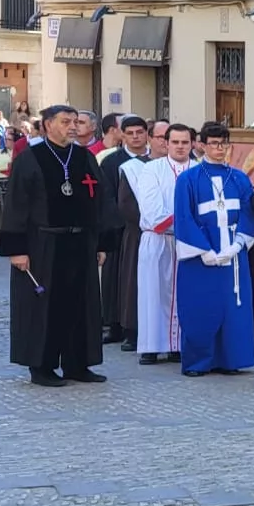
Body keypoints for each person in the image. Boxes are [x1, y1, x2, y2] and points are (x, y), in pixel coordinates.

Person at [0, 105, 112, 388]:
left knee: (80, 304)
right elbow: (16, 205)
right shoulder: (30, 159)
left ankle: (77, 363)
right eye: (65, 121)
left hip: (80, 241)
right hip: (42, 244)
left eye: (76, 121)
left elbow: (100, 200)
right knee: (43, 306)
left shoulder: (84, 157)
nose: (73, 126)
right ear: (48, 125)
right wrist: (17, 249)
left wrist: (101, 242)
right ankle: (42, 365)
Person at [172, 123, 254, 377]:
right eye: (214, 144)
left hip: (233, 252)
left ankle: (232, 359)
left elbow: (248, 212)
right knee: (201, 307)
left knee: (233, 307)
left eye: (224, 144)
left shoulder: (240, 178)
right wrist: (204, 251)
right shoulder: (189, 179)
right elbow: (184, 217)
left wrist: (238, 244)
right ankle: (199, 362)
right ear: (202, 145)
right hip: (201, 255)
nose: (220, 149)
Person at [131, 126, 194, 365]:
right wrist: (187, 223)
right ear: (165, 144)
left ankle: (178, 345)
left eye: (185, 142)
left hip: (188, 243)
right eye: (175, 142)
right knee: (153, 292)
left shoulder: (198, 170)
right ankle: (151, 346)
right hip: (157, 239)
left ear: (192, 144)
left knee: (183, 294)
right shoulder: (151, 170)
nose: (180, 146)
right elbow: (152, 209)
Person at [97, 116, 150, 344]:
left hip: (149, 229)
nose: (136, 137)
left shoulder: (155, 160)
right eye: (130, 133)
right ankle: (114, 324)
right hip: (119, 228)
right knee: (115, 279)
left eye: (140, 132)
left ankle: (139, 326)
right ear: (122, 135)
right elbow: (105, 195)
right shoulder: (111, 162)